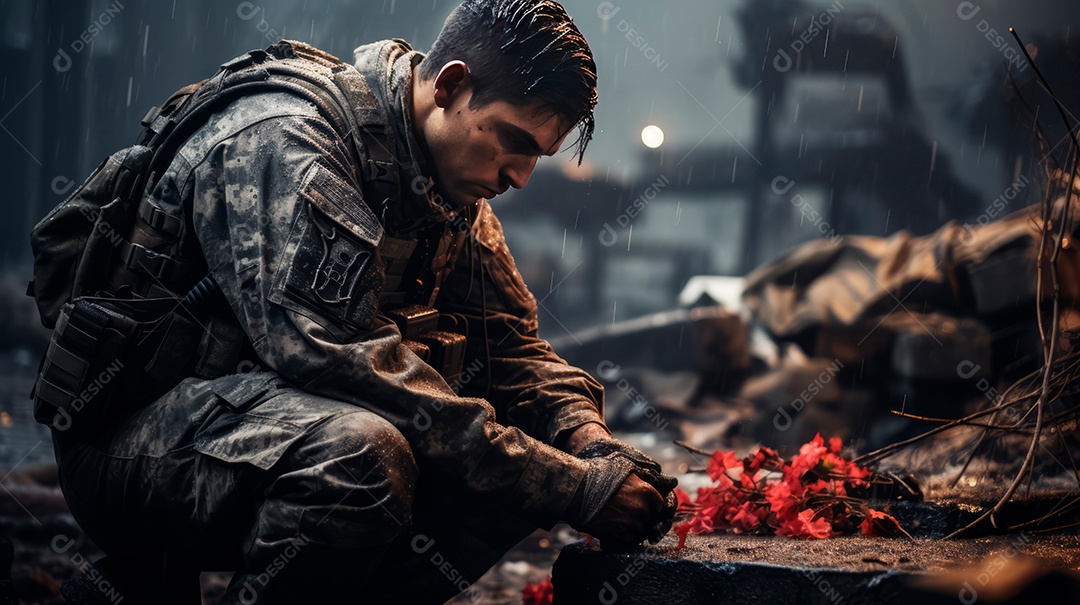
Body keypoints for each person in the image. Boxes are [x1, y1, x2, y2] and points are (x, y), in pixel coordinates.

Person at [52, 1, 677, 603]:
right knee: (361, 455)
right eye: (512, 141)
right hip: (134, 448)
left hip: (264, 434)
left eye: (536, 156)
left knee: (515, 477)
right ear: (451, 86)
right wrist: (570, 487)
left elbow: (511, 345)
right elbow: (338, 359)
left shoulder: (448, 191)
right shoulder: (285, 141)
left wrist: (587, 443)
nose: (520, 177)